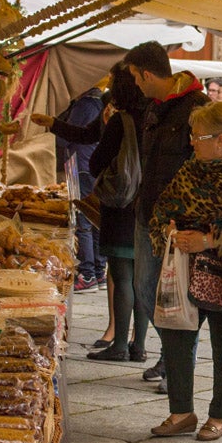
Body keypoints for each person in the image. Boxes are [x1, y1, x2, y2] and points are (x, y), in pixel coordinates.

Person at [147, 102, 222, 440]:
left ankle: (220, 415)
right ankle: (181, 411)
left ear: (220, 140)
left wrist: (207, 239)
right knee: (176, 339)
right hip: (183, 269)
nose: (192, 142)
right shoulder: (188, 171)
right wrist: (172, 234)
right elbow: (161, 211)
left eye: (198, 136)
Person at [125, 42, 209, 389]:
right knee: (144, 289)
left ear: (146, 74)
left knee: (176, 297)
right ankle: (171, 352)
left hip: (180, 221)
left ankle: (178, 365)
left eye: (135, 78)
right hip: (148, 213)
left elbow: (207, 166)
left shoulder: (197, 107)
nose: (135, 85)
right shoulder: (152, 108)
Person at [79, 64, 151, 362]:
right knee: (141, 278)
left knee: (122, 276)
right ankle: (140, 345)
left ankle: (120, 344)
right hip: (146, 206)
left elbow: (96, 162)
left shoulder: (121, 121)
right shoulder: (154, 118)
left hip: (122, 208)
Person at [32, 85, 106, 292]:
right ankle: (98, 272)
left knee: (83, 219)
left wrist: (52, 126)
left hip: (81, 165)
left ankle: (87, 273)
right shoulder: (98, 103)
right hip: (89, 164)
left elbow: (68, 137)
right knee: (93, 217)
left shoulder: (85, 105)